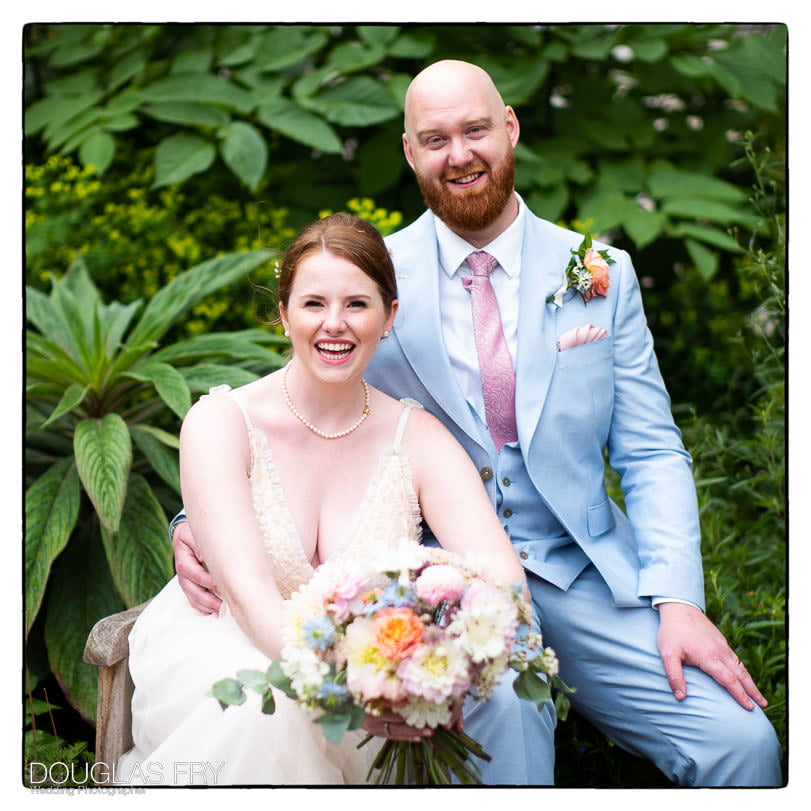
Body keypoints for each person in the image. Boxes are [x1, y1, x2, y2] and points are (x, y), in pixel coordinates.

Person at [172, 60, 782, 786]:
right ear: (409, 151)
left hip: (581, 572)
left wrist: (678, 599)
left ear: (510, 128)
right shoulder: (369, 282)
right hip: (431, 591)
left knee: (743, 743)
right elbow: (299, 403)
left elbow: (651, 451)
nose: (457, 154)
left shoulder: (598, 272)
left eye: (474, 130)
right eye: (434, 138)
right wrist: (197, 517)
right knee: (497, 734)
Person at [116, 212, 536, 786]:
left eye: (357, 305)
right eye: (313, 304)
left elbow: (502, 581)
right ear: (283, 313)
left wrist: (429, 673)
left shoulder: (419, 439)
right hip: (228, 650)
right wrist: (347, 693)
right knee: (264, 714)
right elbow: (248, 595)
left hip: (378, 674)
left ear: (389, 316)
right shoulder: (219, 423)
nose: (334, 325)